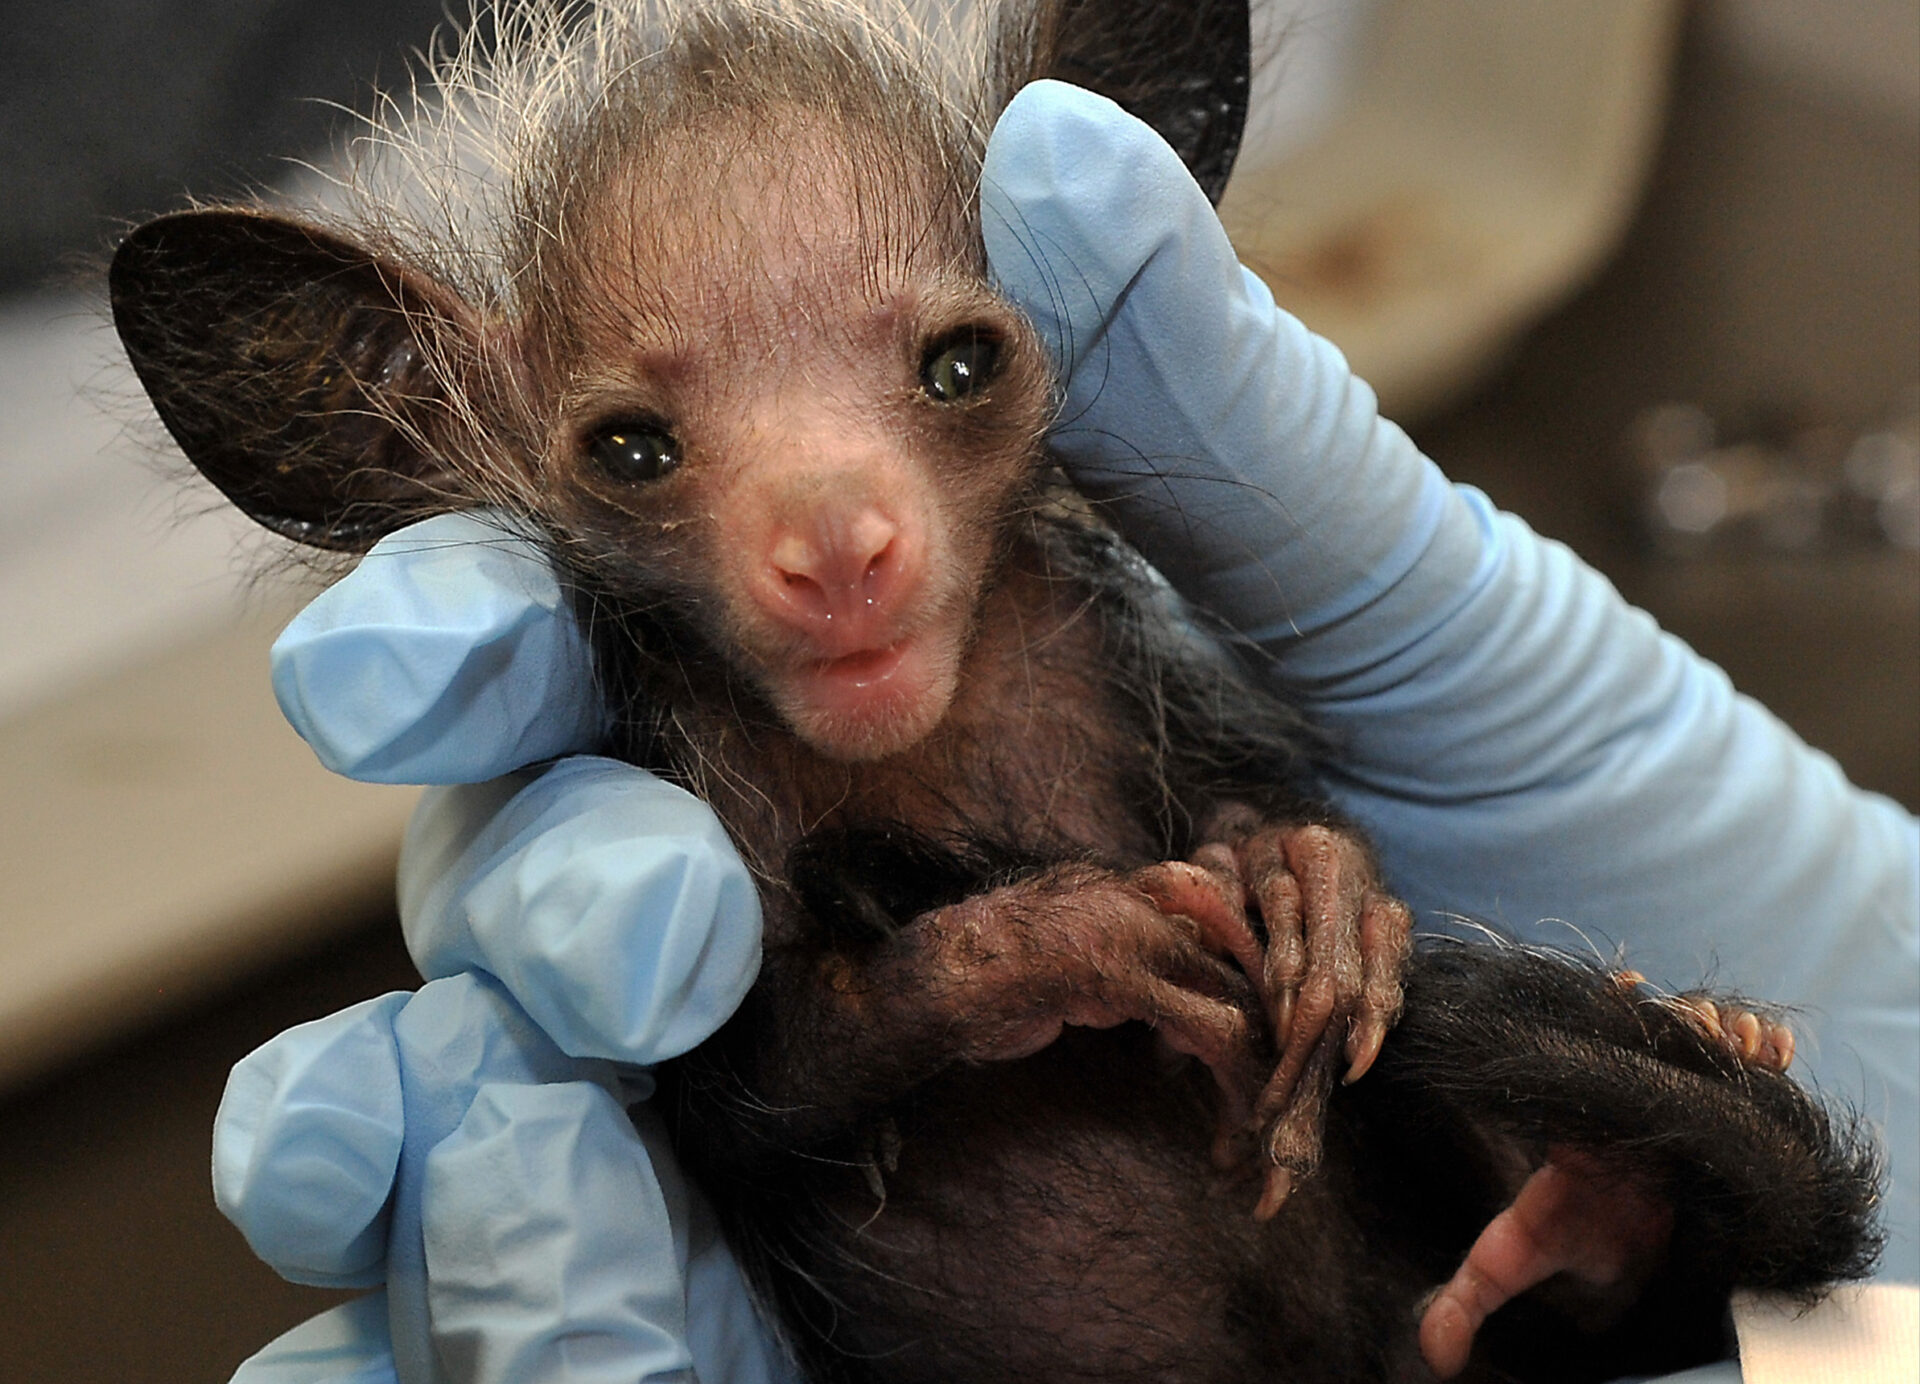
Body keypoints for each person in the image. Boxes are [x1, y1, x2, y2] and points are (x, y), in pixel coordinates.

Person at [216, 82, 1919, 1384]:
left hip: (1413, 1319)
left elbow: (1261, 829)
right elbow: (751, 1108)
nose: (835, 528)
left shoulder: (1075, 618)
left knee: (1714, 1166)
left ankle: (1631, 1218)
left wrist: (1296, 858)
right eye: (642, 449)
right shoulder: (658, 757)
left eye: (950, 367)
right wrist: (972, 973)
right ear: (447, 426)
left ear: (1047, 350)